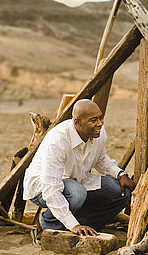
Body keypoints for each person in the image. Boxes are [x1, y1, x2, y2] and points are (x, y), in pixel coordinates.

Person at [23, 99, 135, 245]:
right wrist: (73, 225)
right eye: (93, 120)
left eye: (100, 118)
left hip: (78, 182)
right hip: (41, 188)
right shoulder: (58, 140)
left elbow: (100, 159)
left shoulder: (98, 133)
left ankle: (81, 227)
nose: (100, 123)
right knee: (77, 193)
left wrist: (120, 174)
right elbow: (50, 189)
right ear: (77, 123)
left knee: (120, 193)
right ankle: (45, 227)